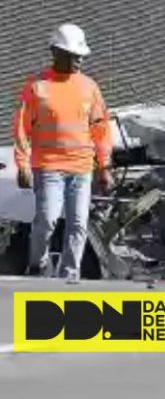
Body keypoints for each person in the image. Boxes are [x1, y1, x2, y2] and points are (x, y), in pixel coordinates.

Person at [12, 24, 114, 281]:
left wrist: (103, 166)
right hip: (48, 167)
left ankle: (69, 274)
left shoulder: (89, 87)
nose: (78, 61)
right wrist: (22, 164)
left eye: (80, 56)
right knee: (46, 221)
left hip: (81, 168)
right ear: (55, 52)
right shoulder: (37, 87)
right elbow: (22, 128)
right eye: (72, 55)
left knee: (78, 224)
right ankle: (38, 264)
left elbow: (100, 129)